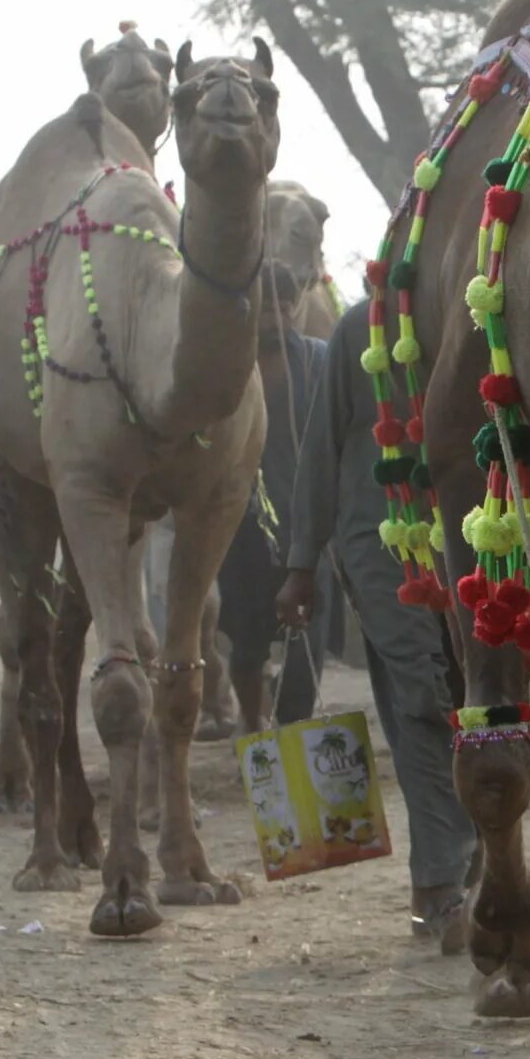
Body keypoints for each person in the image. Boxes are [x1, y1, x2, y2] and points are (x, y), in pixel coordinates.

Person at [274, 293, 480, 939]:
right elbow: (321, 446)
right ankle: (440, 883)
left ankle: (474, 869)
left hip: (477, 541)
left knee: (475, 703)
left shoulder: (479, 318)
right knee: (421, 699)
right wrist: (302, 562)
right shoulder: (359, 328)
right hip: (378, 543)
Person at [218, 255, 329, 733]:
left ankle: (293, 727)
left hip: (307, 525)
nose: (279, 318)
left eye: (287, 306)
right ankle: (251, 722)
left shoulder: (318, 362)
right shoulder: (226, 369)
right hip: (237, 528)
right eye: (268, 308)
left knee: (308, 641)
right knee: (246, 642)